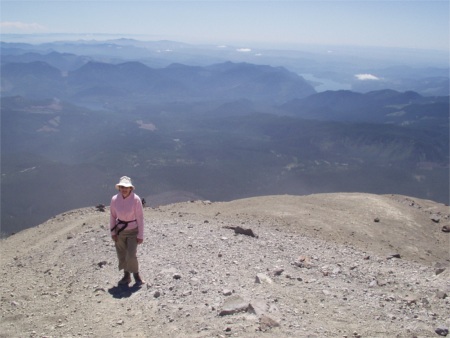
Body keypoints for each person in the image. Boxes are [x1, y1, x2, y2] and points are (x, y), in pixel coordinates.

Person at [110, 176, 145, 286]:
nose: (124, 189)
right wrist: (113, 232)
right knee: (121, 253)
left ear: (130, 188)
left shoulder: (136, 200)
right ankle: (126, 276)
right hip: (119, 230)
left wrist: (140, 234)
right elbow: (112, 216)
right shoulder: (114, 199)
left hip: (133, 230)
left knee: (131, 254)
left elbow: (140, 217)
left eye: (126, 187)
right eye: (122, 187)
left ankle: (136, 274)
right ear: (119, 188)